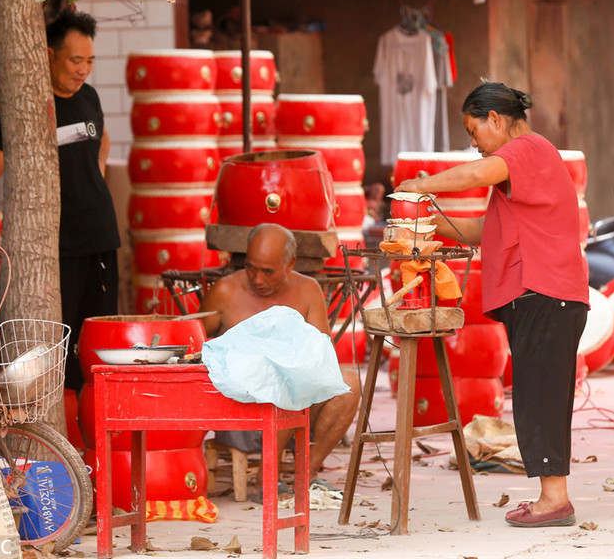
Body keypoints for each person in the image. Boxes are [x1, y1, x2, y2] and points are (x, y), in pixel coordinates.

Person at [394, 81, 589, 528]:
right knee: (539, 396)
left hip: (546, 293)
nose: (474, 145)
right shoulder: (522, 169)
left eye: (474, 131)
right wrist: (431, 225)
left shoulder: (527, 150)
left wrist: (418, 188)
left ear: (496, 120)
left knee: (539, 399)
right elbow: (486, 230)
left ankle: (554, 501)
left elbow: (472, 175)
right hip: (546, 296)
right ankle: (551, 497)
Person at [0, 10, 119, 393]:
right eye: (75, 60)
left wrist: (94, 179)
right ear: (50, 55)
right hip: (57, 248)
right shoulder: (28, 110)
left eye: (89, 61)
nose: (83, 70)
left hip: (101, 239)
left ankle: (93, 439)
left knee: (98, 345)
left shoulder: (89, 97)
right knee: (59, 346)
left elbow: (101, 139)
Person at [199, 223, 361, 487]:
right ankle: (268, 477)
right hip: (242, 410)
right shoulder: (225, 291)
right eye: (251, 267)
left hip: (297, 408)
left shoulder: (308, 290)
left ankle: (305, 474)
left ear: (290, 263)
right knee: (280, 377)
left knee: (349, 383)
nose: (257, 279)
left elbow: (323, 358)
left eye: (268, 271)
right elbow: (196, 346)